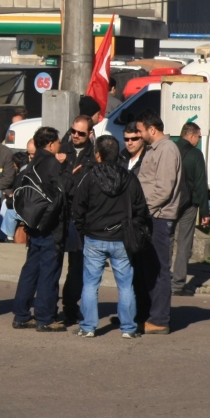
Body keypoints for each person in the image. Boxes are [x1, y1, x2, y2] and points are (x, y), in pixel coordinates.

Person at [72, 135, 150, 338]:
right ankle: (128, 328)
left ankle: (88, 327)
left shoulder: (89, 177)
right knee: (125, 285)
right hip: (122, 237)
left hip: (94, 237)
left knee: (90, 284)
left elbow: (78, 208)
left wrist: (83, 229)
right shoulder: (129, 178)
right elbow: (141, 209)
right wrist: (134, 227)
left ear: (97, 155)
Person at [11, 126, 68, 333]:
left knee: (31, 270)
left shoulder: (31, 163)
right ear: (51, 144)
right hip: (50, 226)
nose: (60, 145)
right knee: (48, 272)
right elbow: (60, 194)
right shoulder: (52, 163)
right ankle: (45, 318)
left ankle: (21, 315)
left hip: (33, 223)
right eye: (58, 142)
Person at [135, 113, 184, 335]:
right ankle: (145, 315)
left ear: (152, 129)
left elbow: (164, 189)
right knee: (148, 269)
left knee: (159, 269)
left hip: (159, 218)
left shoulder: (167, 149)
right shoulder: (154, 149)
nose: (139, 134)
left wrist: (147, 211)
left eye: (140, 130)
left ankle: (160, 319)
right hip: (151, 216)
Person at [59, 115, 97, 326]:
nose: (75, 135)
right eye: (73, 131)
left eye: (80, 133)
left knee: (77, 266)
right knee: (53, 262)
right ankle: (48, 307)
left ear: (90, 133)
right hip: (60, 213)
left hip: (82, 216)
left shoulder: (94, 155)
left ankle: (70, 307)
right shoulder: (62, 150)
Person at [172, 123, 210, 296]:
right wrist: (205, 211)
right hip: (189, 204)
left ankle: (162, 279)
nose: (199, 140)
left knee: (167, 240)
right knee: (184, 243)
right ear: (192, 135)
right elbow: (201, 184)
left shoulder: (170, 149)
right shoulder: (195, 154)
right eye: (199, 136)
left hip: (168, 202)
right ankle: (178, 284)